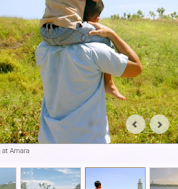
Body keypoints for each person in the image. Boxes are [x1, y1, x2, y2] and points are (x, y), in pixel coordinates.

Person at [36, 12, 143, 143]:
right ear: (95, 20)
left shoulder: (43, 49)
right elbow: (136, 68)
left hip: (49, 141)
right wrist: (112, 34)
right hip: (88, 141)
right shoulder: (95, 51)